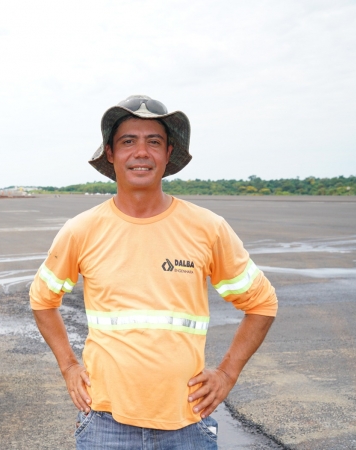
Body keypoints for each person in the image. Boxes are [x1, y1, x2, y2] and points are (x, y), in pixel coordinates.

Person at [29, 95, 277, 449]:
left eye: (154, 142)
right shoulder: (80, 230)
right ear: (111, 153)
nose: (141, 152)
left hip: (187, 422)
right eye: (128, 141)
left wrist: (226, 374)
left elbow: (262, 304)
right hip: (105, 424)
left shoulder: (208, 228)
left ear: (167, 153)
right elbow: (42, 300)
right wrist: (69, 366)